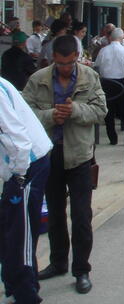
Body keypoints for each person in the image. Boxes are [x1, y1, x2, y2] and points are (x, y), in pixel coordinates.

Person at [24, 34, 107, 295]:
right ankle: (58, 262)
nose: (66, 68)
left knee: (82, 216)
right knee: (55, 214)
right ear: (52, 59)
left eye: (70, 63)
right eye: (60, 64)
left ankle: (81, 269)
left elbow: (100, 110)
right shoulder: (37, 80)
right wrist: (51, 116)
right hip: (49, 156)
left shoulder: (88, 77)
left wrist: (75, 111)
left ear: (77, 58)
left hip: (80, 155)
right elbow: (23, 116)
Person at [0, 76, 52, 304]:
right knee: (9, 229)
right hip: (17, 165)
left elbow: (16, 136)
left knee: (20, 233)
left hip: (28, 163)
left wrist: (18, 176)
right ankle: (15, 285)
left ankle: (26, 293)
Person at [94, 28, 124, 145]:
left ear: (110, 38)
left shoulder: (103, 51)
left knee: (109, 112)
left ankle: (112, 137)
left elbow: (97, 65)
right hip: (122, 81)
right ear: (122, 38)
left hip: (107, 82)